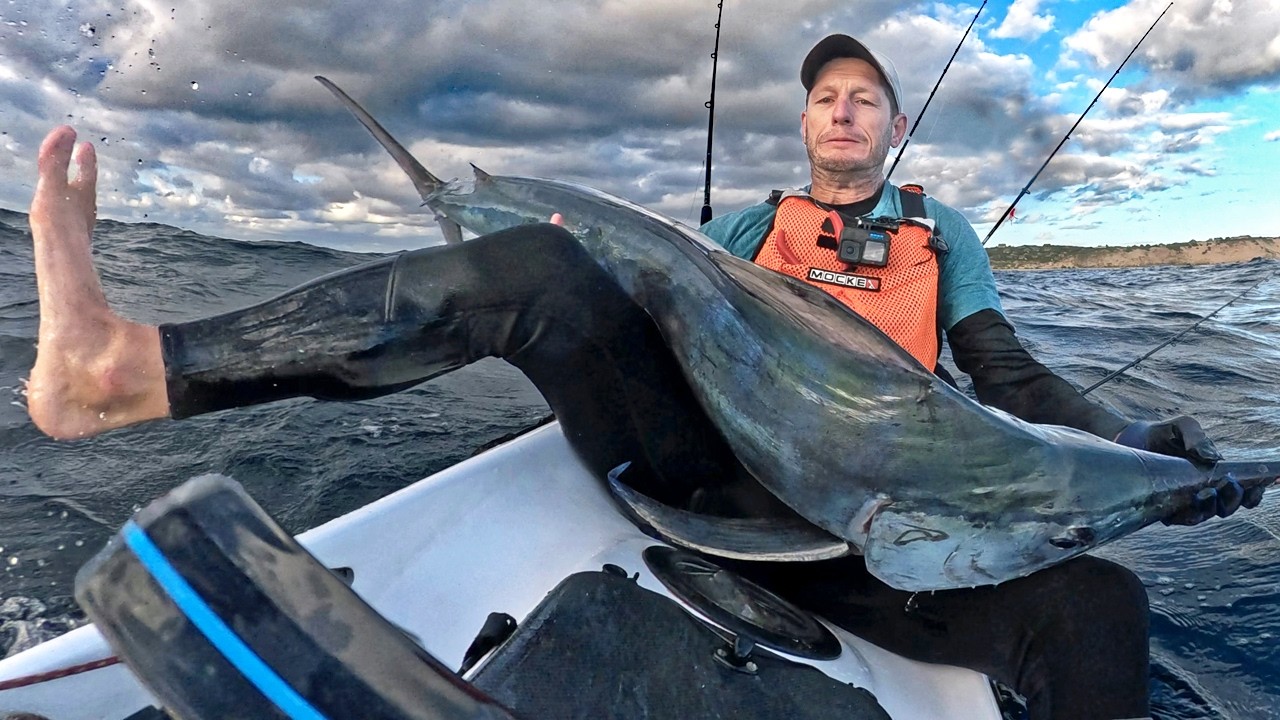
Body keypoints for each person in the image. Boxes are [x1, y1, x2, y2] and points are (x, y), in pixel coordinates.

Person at [25, 34, 1258, 720]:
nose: (843, 113)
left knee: (1100, 608)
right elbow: (632, 305)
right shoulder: (740, 234)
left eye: (865, 101)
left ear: (892, 129)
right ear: (804, 125)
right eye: (824, 99)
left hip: (878, 532)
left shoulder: (946, 238)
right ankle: (124, 370)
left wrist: (1133, 439)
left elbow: (1010, 376)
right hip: (700, 480)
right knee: (539, 274)